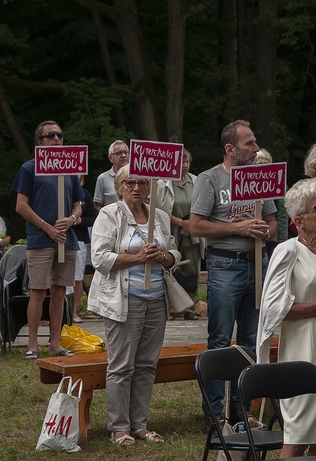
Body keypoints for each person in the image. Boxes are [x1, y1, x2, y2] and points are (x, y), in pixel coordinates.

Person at [189, 119, 277, 425]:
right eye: (248, 143)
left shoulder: (260, 177)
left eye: (254, 142)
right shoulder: (209, 179)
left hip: (258, 263)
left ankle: (241, 408)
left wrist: (265, 231)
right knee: (220, 339)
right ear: (230, 149)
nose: (255, 148)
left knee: (252, 338)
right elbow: (196, 225)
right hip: (225, 263)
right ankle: (215, 411)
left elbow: (274, 221)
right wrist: (237, 227)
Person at [256, 178, 316, 457]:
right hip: (301, 360)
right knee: (297, 438)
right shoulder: (288, 251)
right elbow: (273, 308)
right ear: (300, 220)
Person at [88, 164, 180, 447]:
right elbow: (100, 259)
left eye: (142, 183)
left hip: (156, 299)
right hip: (123, 299)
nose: (136, 188)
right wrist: (139, 257)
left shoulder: (160, 216)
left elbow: (174, 251)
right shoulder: (109, 215)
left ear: (150, 187)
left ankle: (139, 425)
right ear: (119, 187)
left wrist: (163, 255)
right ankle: (118, 428)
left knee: (147, 365)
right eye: (129, 183)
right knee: (122, 366)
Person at [11, 120, 83, 359]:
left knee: (60, 291)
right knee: (38, 291)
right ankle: (32, 344)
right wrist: (47, 227)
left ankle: (55, 343)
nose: (56, 139)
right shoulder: (29, 168)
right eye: (50, 135)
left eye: (60, 135)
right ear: (39, 141)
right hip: (40, 239)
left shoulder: (70, 169)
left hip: (67, 239)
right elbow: (21, 206)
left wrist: (71, 219)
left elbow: (77, 205)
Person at [156, 148, 202, 320]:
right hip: (171, 230)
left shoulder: (196, 181)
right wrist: (180, 222)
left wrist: (190, 223)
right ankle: (173, 307)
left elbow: (202, 206)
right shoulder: (163, 184)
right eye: (181, 162)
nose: (185, 165)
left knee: (192, 270)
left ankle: (190, 307)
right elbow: (158, 210)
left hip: (193, 232)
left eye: (187, 162)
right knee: (170, 269)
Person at [68, 175, 96, 323]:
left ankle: (74, 312)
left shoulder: (85, 194)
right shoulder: (60, 190)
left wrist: (79, 220)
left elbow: (93, 217)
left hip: (79, 239)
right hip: (59, 237)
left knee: (78, 277)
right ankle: (58, 312)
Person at [254, 149, 288, 258]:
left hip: (272, 234)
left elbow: (283, 211)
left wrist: (282, 236)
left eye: (264, 164)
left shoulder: (277, 182)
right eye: (259, 163)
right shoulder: (249, 182)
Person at [93, 140, 129, 212]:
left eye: (125, 152)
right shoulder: (102, 178)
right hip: (112, 220)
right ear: (110, 158)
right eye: (118, 153)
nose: (123, 155)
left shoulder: (136, 177)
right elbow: (98, 206)